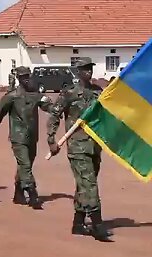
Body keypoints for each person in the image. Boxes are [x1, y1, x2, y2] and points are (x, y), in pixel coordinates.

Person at [47, 57, 112, 242]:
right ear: (77, 71)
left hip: (94, 146)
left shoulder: (97, 92)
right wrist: (51, 139)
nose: (88, 72)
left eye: (90, 68)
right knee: (89, 184)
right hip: (77, 147)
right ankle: (97, 225)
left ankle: (78, 222)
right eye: (84, 69)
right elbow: (54, 114)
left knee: (83, 185)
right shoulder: (69, 93)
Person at [0, 66, 53, 210]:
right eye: (23, 76)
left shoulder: (34, 95)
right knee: (25, 165)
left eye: (28, 76)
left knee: (24, 165)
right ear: (18, 78)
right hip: (18, 137)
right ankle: (32, 193)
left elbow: (48, 106)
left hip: (32, 137)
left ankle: (18, 193)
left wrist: (58, 108)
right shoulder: (11, 96)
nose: (26, 79)